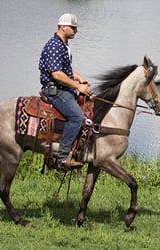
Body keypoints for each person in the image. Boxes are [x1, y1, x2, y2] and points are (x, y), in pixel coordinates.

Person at [39, 13, 91, 171]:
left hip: (63, 87)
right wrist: (77, 86)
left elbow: (66, 70)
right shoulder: (54, 46)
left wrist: (80, 78)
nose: (76, 31)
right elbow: (56, 74)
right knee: (76, 117)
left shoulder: (63, 44)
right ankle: (62, 158)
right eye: (73, 27)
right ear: (63, 27)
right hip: (54, 90)